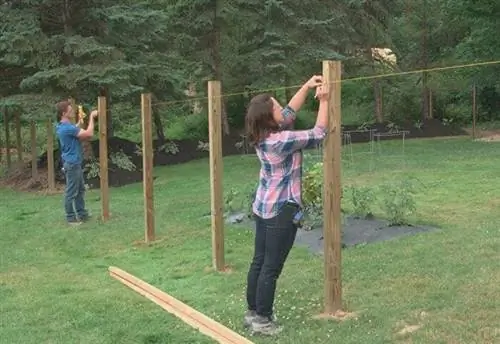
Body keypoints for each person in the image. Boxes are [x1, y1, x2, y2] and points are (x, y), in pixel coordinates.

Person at [243, 76, 330, 335]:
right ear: (269, 117)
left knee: (259, 261)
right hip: (281, 210)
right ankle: (263, 320)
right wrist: (324, 100)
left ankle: (253, 312)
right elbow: (319, 134)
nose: (283, 109)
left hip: (263, 206)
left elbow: (289, 113)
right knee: (271, 265)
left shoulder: (264, 135)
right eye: (277, 107)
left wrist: (306, 86)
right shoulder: (279, 141)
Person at [55, 100, 98, 225]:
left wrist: (80, 122)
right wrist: (91, 117)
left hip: (74, 163)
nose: (72, 111)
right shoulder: (67, 128)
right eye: (70, 110)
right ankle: (71, 218)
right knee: (71, 192)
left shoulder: (62, 126)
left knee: (80, 190)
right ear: (64, 113)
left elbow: (73, 129)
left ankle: (82, 213)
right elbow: (89, 134)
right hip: (72, 164)